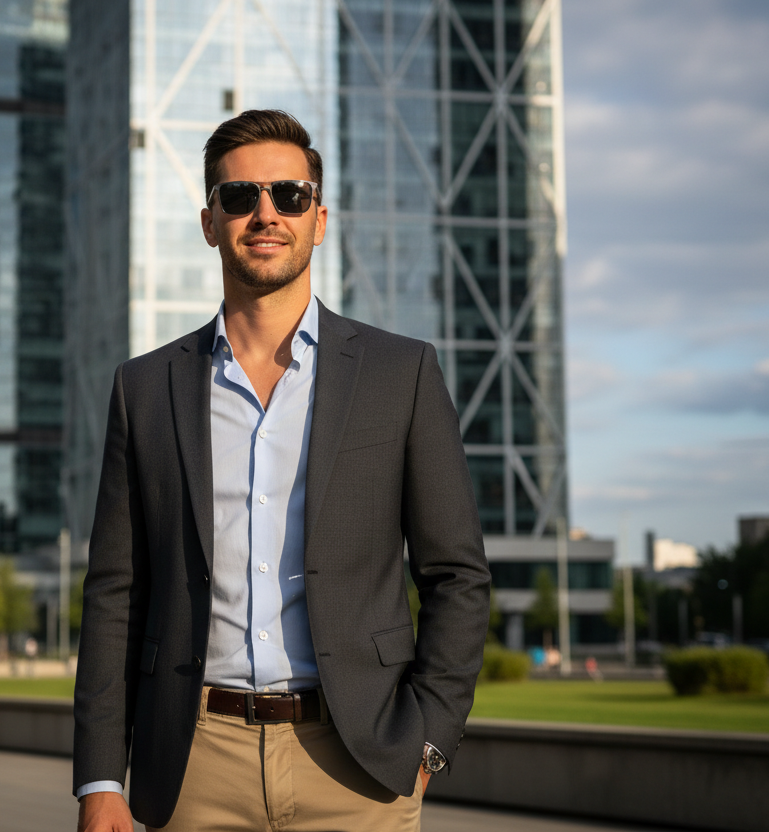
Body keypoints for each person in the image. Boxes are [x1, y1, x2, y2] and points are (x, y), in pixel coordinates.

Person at [73, 109, 492, 832]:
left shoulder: (401, 373)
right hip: (195, 767)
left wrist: (428, 741)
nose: (266, 214)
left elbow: (457, 574)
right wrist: (101, 779)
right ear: (210, 223)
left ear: (318, 220)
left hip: (359, 768)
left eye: (290, 195)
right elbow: (116, 592)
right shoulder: (143, 389)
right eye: (240, 197)